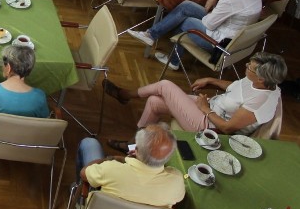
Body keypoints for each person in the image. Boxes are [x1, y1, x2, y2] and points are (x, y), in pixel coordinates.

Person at [103, 52, 286, 138]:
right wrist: (212, 80)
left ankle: (125, 94)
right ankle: (138, 143)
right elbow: (236, 88)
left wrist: (205, 109)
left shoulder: (261, 102)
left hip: (210, 127)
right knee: (154, 101)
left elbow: (228, 128)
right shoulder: (259, 83)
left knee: (165, 85)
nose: (245, 67)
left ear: (262, 79)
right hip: (209, 109)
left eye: (249, 68)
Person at [126, 0, 263, 70]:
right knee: (186, 6)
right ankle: (151, 35)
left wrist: (214, 10)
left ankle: (173, 60)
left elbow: (209, 24)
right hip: (234, 38)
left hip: (219, 44)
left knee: (186, 21)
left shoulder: (231, 0)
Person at [76, 124, 184, 209]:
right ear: (169, 157)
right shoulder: (177, 181)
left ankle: (78, 200)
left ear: (135, 150)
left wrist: (108, 159)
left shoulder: (110, 168)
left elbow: (83, 173)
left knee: (89, 143)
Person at [0, 46, 49, 122]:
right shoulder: (39, 96)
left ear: (8, 67)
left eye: (3, 63)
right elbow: (45, 121)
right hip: (26, 134)